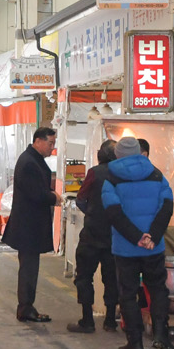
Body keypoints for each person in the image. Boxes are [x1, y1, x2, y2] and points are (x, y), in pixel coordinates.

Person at [102, 135, 174, 349]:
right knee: (158, 289)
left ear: (117, 155)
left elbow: (114, 213)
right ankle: (161, 335)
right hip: (153, 246)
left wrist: (136, 237)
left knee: (128, 294)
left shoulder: (111, 178)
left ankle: (135, 343)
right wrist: (152, 236)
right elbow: (167, 207)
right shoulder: (157, 175)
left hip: (126, 247)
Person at [3, 126, 59, 322]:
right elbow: (36, 193)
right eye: (50, 143)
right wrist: (53, 197)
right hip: (28, 225)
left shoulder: (33, 159)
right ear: (38, 141)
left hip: (31, 224)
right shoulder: (29, 162)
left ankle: (26, 306)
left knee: (30, 267)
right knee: (28, 268)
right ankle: (25, 307)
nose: (52, 147)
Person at [67, 140, 119, 334]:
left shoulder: (94, 173)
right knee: (112, 278)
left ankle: (87, 320)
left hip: (92, 233)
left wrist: (91, 212)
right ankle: (110, 321)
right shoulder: (123, 174)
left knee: (84, 276)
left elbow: (80, 198)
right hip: (115, 234)